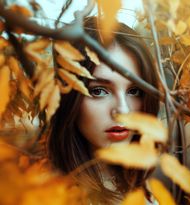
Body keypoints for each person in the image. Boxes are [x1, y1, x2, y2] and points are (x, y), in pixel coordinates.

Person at [47, 17, 160, 204]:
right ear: (68, 96)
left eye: (134, 91)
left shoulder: (140, 188)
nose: (122, 110)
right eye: (98, 91)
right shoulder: (48, 195)